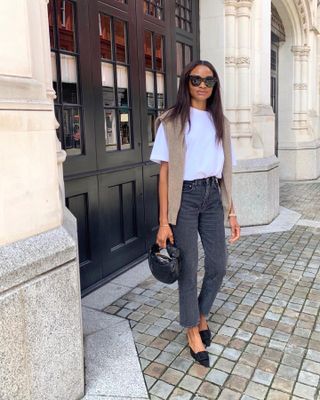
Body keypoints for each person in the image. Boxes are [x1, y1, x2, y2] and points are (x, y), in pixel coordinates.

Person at [150, 60, 241, 367]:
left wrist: (232, 212)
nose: (202, 85)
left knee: (218, 264)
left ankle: (200, 313)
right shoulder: (172, 120)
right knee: (188, 269)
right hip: (185, 198)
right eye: (196, 79)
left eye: (209, 81)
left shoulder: (221, 122)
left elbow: (225, 170)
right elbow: (164, 173)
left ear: (215, 86)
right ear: (186, 82)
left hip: (212, 197)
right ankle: (192, 329)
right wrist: (164, 222)